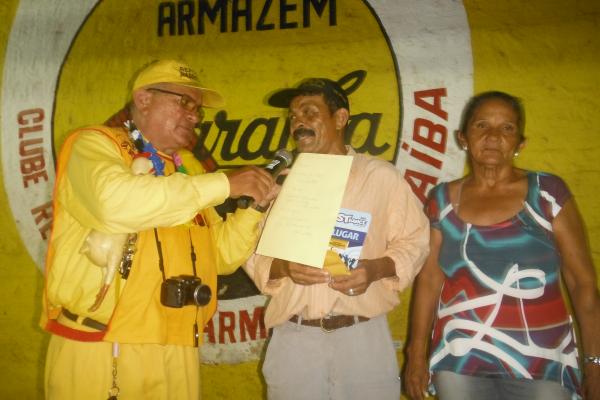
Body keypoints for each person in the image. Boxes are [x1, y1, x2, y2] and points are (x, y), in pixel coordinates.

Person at [41, 59, 278, 399]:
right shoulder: (94, 145)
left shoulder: (187, 171)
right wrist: (225, 183)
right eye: (184, 102)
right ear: (143, 99)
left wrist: (255, 208)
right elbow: (114, 205)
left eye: (197, 109)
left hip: (178, 345)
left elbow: (221, 257)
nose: (194, 116)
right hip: (104, 342)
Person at [403, 91, 600, 400]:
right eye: (482, 125)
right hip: (461, 359)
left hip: (542, 362)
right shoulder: (440, 200)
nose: (493, 136)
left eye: (506, 128)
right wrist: (416, 356)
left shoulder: (547, 194)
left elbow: (582, 283)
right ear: (463, 137)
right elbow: (428, 281)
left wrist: (595, 363)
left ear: (520, 143)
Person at [243, 77, 430, 400]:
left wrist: (376, 269)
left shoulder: (380, 177)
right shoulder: (277, 185)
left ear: (340, 118)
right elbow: (249, 251)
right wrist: (284, 268)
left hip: (363, 337)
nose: (298, 122)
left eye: (310, 112)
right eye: (293, 116)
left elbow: (416, 240)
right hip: (295, 339)